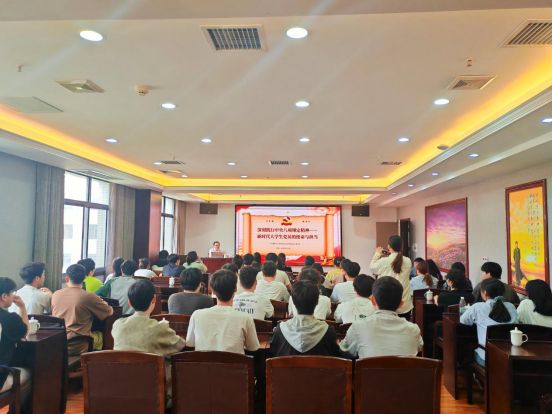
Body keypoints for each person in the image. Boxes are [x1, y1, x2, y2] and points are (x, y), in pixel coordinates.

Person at [340, 276, 423, 358]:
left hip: (370, 367)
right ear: (401, 304)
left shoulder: (358, 327)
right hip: (404, 367)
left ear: (373, 300)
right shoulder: (414, 330)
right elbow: (419, 348)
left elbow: (345, 350)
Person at [186, 269, 260, 354]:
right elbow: (253, 347)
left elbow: (190, 343)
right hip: (234, 362)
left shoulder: (197, 315)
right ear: (235, 289)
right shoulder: (245, 318)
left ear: (213, 291)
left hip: (203, 362)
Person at [52, 264, 113, 355]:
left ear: (67, 278)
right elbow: (109, 311)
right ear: (84, 278)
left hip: (57, 343)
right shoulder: (88, 296)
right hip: (78, 345)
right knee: (100, 335)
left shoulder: (55, 294)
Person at [112, 279, 185, 355]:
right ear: (154, 300)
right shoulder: (160, 328)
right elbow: (180, 344)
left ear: (129, 302)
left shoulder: (117, 324)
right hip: (151, 363)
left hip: (121, 363)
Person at [271, 281, 340, 357]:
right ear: (317, 302)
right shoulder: (329, 332)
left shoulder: (280, 330)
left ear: (293, 302)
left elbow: (273, 353)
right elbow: (335, 356)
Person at [460, 278, 518, 365]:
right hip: (508, 359)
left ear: (485, 293)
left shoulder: (477, 307)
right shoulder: (511, 307)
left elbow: (463, 321)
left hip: (486, 358)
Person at [0, 277, 31, 409]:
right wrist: (22, 307)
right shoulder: (9, 319)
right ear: (4, 296)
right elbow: (26, 332)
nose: (14, 295)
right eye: (12, 292)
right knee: (30, 372)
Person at [370, 235, 413, 318]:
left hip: (387, 307)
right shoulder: (408, 261)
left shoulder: (384, 261)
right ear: (401, 247)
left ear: (389, 246)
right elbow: (396, 261)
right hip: (404, 306)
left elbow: (372, 268)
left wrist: (377, 254)